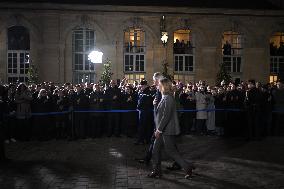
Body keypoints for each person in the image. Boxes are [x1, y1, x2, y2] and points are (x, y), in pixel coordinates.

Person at [148, 77, 195, 179]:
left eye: (159, 84)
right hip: (162, 129)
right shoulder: (164, 97)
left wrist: (159, 130)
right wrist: (155, 105)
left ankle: (187, 167)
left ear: (163, 86)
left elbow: (166, 116)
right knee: (155, 150)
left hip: (167, 130)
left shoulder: (169, 98)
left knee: (171, 151)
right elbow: (159, 115)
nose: (157, 86)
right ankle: (157, 171)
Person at [136, 79, 153, 145]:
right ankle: (142, 139)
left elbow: (148, 102)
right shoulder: (142, 92)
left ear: (145, 86)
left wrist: (140, 107)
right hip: (142, 111)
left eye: (142, 85)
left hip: (145, 112)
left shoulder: (148, 92)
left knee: (145, 126)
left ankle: (144, 140)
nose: (140, 86)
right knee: (142, 126)